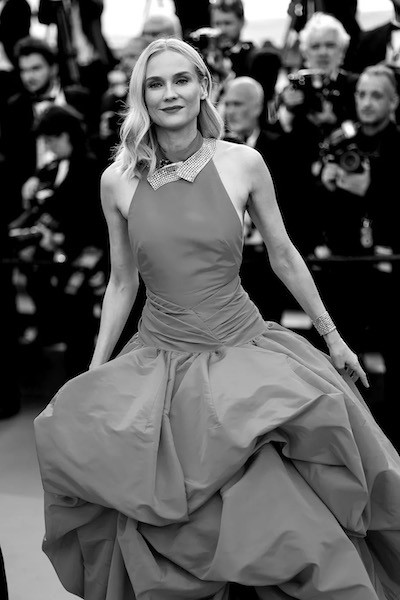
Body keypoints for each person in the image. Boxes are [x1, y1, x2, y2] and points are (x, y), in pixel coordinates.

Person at [34, 37, 400, 600]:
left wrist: (333, 337)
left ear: (204, 86)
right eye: (155, 84)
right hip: (161, 361)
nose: (170, 93)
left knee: (278, 511)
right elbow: (122, 282)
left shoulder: (243, 162)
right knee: (175, 517)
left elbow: (283, 255)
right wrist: (95, 368)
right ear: (141, 97)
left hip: (243, 350)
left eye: (182, 79)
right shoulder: (117, 180)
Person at [316, 64, 400, 447]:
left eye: (376, 95)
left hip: (388, 270)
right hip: (342, 266)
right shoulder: (340, 139)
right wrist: (326, 182)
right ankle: (352, 439)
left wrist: (371, 189)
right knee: (346, 357)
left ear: (394, 101)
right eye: (362, 94)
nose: (366, 103)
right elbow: (316, 204)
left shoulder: (397, 143)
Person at [223, 76, 288, 323]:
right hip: (224, 261)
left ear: (257, 107)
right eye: (228, 104)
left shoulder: (280, 148)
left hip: (266, 260)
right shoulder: (212, 150)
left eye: (238, 104)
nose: (230, 111)